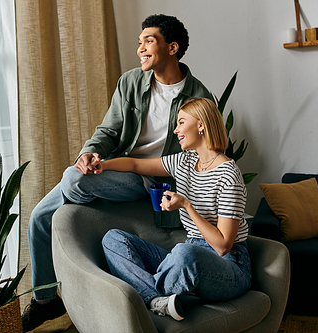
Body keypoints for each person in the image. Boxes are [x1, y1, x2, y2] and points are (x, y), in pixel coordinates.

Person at [22, 14, 214, 332]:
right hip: (120, 168)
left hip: (156, 182)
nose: (140, 48)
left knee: (74, 179)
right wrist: (90, 154)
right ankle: (45, 300)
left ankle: (83, 190)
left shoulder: (199, 98)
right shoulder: (130, 82)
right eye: (139, 42)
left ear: (172, 47)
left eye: (148, 41)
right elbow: (108, 131)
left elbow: (203, 157)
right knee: (40, 218)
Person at [97, 97, 251, 321]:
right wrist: (101, 164)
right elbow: (135, 164)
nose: (175, 130)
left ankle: (148, 291)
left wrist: (186, 205)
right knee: (113, 239)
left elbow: (223, 245)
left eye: (180, 122)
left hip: (229, 267)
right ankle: (158, 300)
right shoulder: (184, 161)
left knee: (183, 252)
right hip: (188, 258)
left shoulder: (229, 175)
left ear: (201, 125)